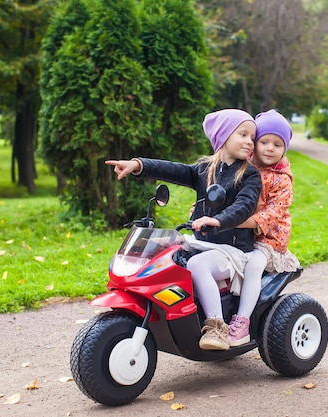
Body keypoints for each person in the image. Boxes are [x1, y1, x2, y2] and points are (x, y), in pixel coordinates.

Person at [105, 109, 262, 351]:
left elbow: (244, 206)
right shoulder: (204, 169)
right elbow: (172, 169)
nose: (249, 141)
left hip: (233, 252)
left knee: (197, 266)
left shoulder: (250, 175)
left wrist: (218, 220)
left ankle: (217, 328)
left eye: (252, 137)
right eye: (242, 134)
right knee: (165, 257)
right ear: (223, 136)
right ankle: (177, 319)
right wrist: (138, 165)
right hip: (203, 244)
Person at [228, 109, 301, 347]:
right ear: (255, 144)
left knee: (254, 265)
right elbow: (224, 193)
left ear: (284, 149)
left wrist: (233, 220)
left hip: (269, 238)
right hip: (238, 232)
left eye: (278, 144)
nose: (270, 148)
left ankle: (242, 321)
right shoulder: (242, 168)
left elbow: (272, 214)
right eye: (265, 142)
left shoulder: (282, 180)